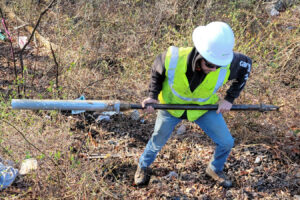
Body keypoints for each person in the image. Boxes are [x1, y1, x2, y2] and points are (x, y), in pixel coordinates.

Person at [134, 21, 252, 188]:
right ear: (199, 56)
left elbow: (247, 66)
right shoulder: (173, 56)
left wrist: (229, 99)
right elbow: (156, 70)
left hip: (203, 109)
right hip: (170, 107)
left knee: (226, 142)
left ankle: (214, 169)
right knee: (158, 139)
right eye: (209, 65)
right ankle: (143, 165)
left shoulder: (230, 61)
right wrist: (153, 96)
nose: (214, 69)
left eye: (218, 66)